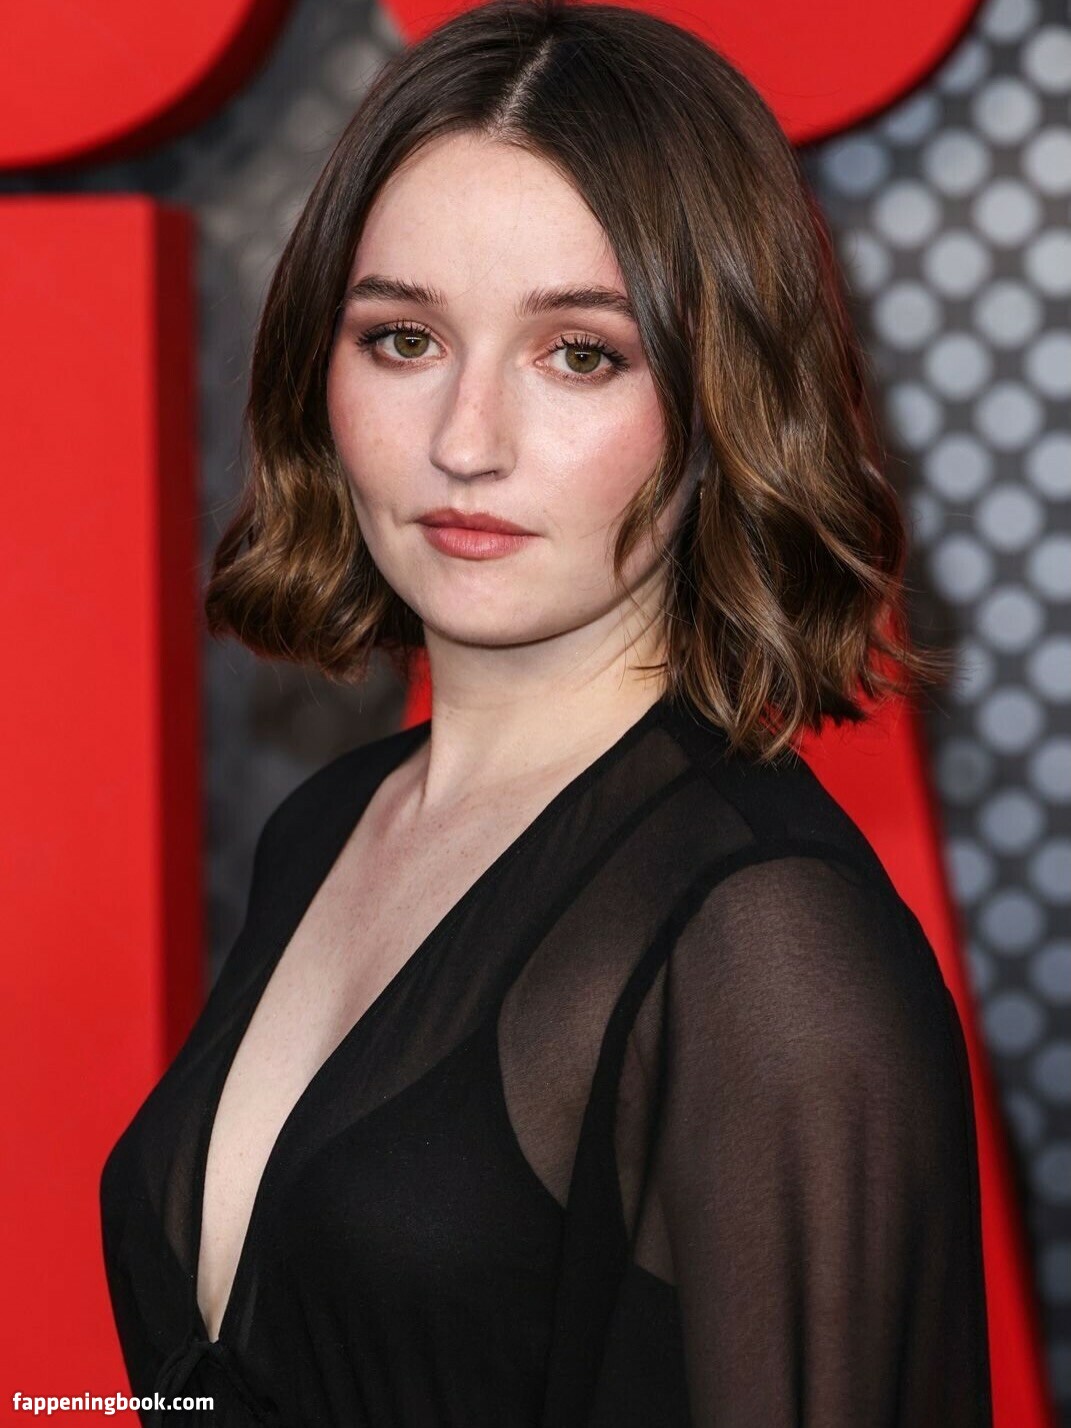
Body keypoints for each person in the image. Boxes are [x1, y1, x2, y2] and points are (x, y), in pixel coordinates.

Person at [99, 0, 993, 1423]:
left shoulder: (766, 943)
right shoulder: (329, 826)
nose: (466, 441)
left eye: (581, 354)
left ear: (723, 396)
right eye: (402, 339)